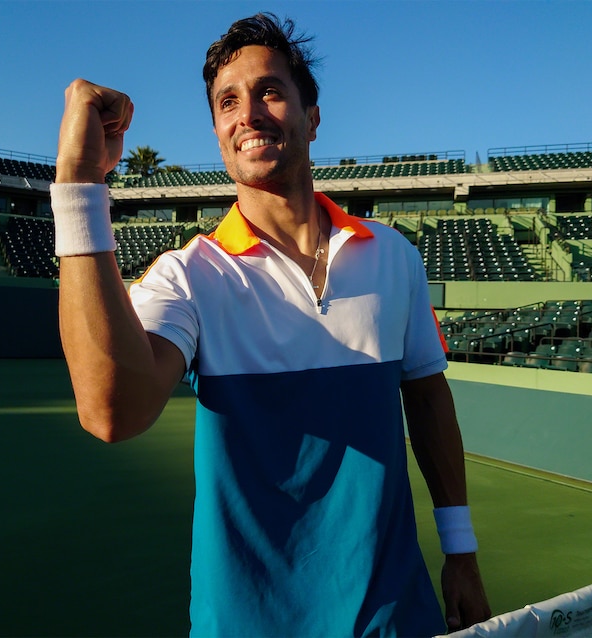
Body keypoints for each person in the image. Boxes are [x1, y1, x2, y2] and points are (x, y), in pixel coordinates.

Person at [50, 12, 491, 637]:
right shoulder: (189, 275)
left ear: (312, 117)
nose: (248, 114)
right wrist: (78, 182)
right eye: (227, 102)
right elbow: (109, 411)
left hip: (394, 620)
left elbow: (427, 398)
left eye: (270, 91)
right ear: (217, 131)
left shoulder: (395, 256)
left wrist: (462, 550)